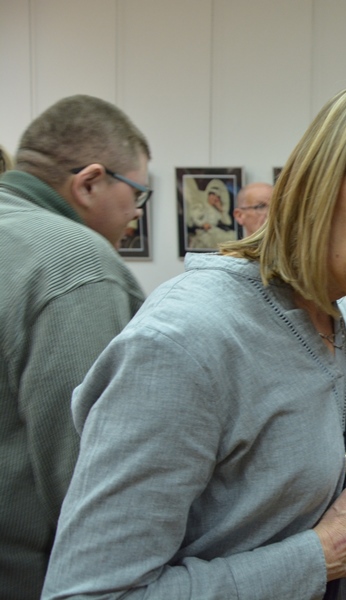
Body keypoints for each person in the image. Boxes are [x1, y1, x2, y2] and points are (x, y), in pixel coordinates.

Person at [41, 80, 346, 600]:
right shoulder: (187, 339)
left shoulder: (332, 313)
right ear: (319, 184)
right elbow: (90, 592)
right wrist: (325, 554)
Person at [0, 95, 149, 600]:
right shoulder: (75, 263)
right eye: (136, 193)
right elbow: (90, 478)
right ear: (88, 183)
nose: (135, 212)